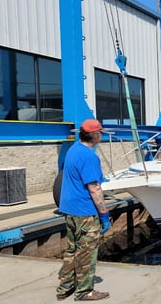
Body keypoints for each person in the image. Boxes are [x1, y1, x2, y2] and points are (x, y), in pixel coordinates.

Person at [56, 119, 111, 301]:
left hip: (68, 210)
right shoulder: (89, 157)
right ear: (95, 135)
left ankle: (65, 287)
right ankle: (85, 291)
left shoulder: (73, 150)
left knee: (72, 250)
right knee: (86, 252)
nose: (101, 135)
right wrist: (104, 214)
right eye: (100, 132)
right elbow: (94, 188)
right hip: (84, 212)